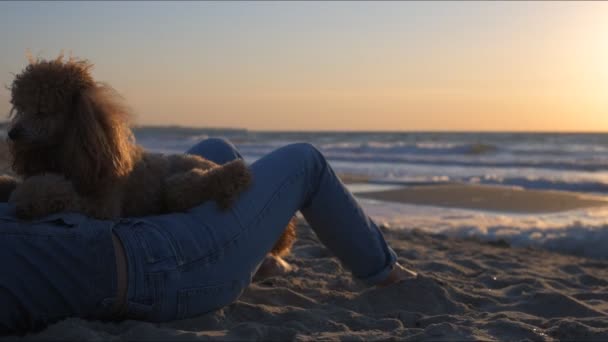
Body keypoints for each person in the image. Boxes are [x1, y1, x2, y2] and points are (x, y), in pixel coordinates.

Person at [0, 138, 417, 334]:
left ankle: (257, 257)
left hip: (128, 236)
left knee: (215, 150)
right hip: (160, 265)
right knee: (304, 161)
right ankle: (387, 275)